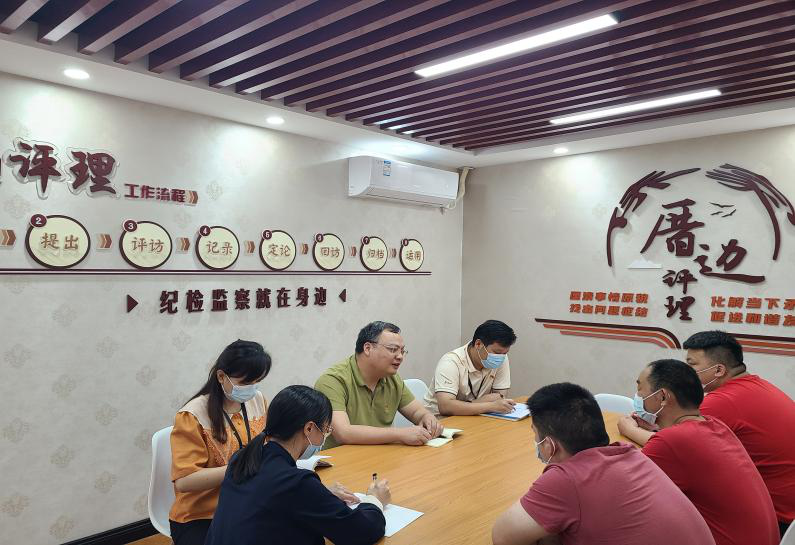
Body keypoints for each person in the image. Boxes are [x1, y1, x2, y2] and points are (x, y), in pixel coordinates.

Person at [492, 382, 715, 545]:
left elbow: (502, 537)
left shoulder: (567, 479)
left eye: (535, 434)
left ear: (549, 445)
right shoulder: (632, 454)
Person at [619, 359, 778, 545]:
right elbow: (676, 446)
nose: (637, 396)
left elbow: (623, 492)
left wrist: (629, 430)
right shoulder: (714, 424)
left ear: (662, 397)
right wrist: (654, 432)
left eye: (640, 388)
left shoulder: (672, 442)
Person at [205, 385, 389, 545]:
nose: (325, 436)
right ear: (309, 428)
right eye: (326, 430)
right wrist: (374, 500)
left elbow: (271, 497)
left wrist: (320, 494)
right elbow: (360, 532)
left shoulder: (242, 458)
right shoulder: (296, 482)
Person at [684, 330, 795, 538]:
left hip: (775, 520)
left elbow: (672, 444)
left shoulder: (723, 401)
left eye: (691, 365)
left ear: (718, 370)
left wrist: (630, 429)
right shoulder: (758, 385)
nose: (685, 373)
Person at [168, 340, 271, 545]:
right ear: (221, 376)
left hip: (249, 503)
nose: (251, 388)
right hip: (202, 516)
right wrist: (240, 466)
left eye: (257, 381)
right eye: (245, 382)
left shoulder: (257, 400)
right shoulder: (193, 415)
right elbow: (185, 481)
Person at [315, 321, 443, 449]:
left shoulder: (392, 378)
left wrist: (427, 418)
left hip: (383, 454)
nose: (400, 356)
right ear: (368, 348)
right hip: (343, 458)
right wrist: (401, 434)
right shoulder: (333, 380)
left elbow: (416, 412)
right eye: (393, 349)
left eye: (402, 351)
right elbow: (343, 433)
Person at [424, 320, 517, 416]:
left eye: (505, 353)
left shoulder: (501, 358)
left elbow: (500, 397)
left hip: (475, 417)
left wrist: (480, 404)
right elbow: (446, 407)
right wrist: (490, 406)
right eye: (497, 352)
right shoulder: (451, 362)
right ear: (478, 344)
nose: (501, 357)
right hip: (440, 420)